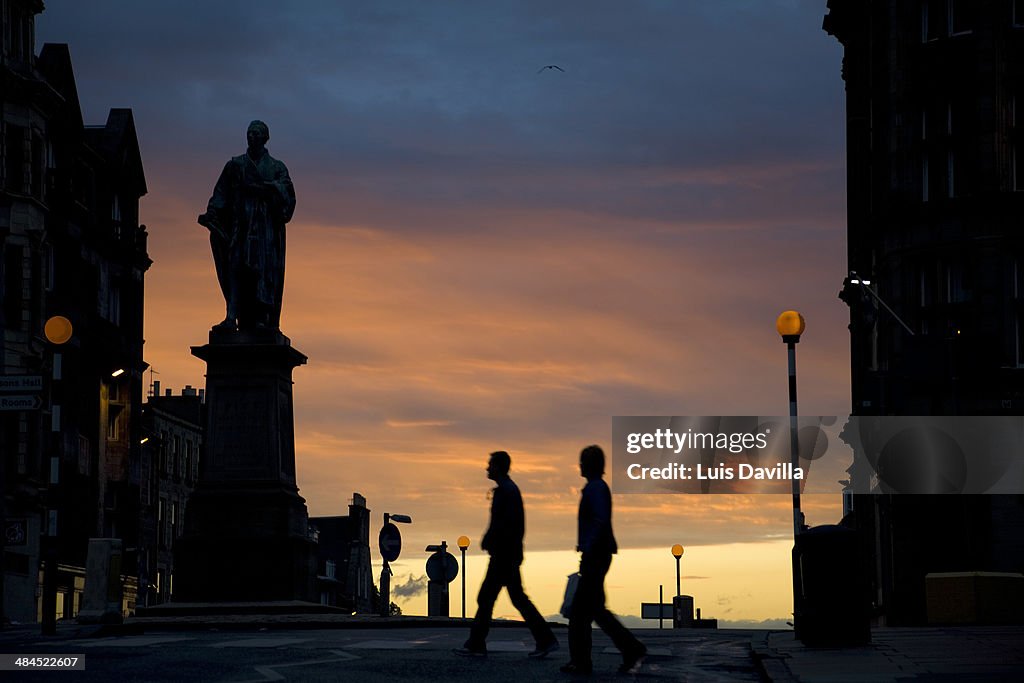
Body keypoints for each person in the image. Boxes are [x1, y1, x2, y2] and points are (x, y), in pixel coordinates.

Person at [454, 451, 559, 658]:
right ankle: (544, 640)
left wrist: (490, 539)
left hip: (503, 555)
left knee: (489, 597)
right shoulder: (508, 490)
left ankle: (477, 643)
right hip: (507, 554)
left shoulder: (506, 492)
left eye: (490, 465)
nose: (487, 468)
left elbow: (505, 524)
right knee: (511, 598)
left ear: (499, 467)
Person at [199, 120, 295, 332]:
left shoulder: (277, 167)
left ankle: (262, 316)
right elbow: (221, 193)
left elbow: (288, 197)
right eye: (249, 133)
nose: (251, 137)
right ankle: (231, 315)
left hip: (264, 229)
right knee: (235, 268)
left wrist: (270, 189)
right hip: (240, 225)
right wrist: (213, 211)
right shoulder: (235, 165)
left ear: (265, 138)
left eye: (256, 133)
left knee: (262, 272)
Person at [562, 445, 646, 675]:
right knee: (594, 610)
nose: (580, 465)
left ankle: (584, 661)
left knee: (580, 612)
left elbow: (599, 520)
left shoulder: (596, 489)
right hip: (598, 553)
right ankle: (628, 649)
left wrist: (588, 546)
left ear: (590, 465)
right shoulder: (595, 487)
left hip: (596, 554)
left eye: (583, 461)